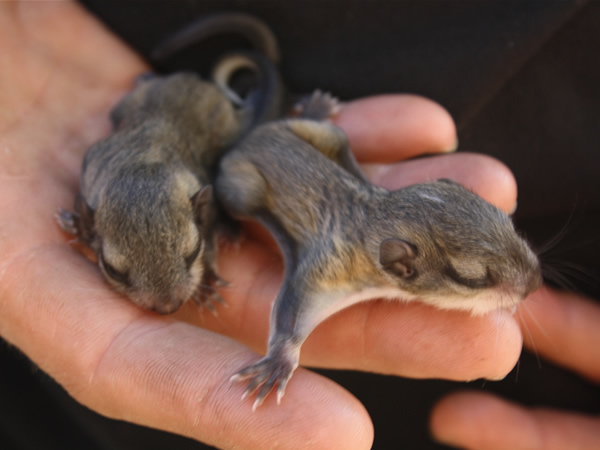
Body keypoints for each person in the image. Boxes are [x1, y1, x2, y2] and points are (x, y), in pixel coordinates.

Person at [0, 2, 597, 449]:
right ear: (400, 265)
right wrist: (284, 350)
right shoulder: (341, 259)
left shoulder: (403, 229)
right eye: (478, 277)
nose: (526, 283)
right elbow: (297, 294)